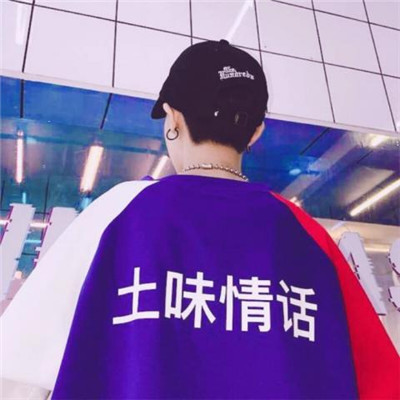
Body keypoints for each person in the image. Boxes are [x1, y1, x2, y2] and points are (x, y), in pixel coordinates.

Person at [1, 39, 398, 399]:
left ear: (173, 119)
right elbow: (382, 381)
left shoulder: (118, 212)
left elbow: (17, 366)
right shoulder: (305, 232)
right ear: (255, 133)